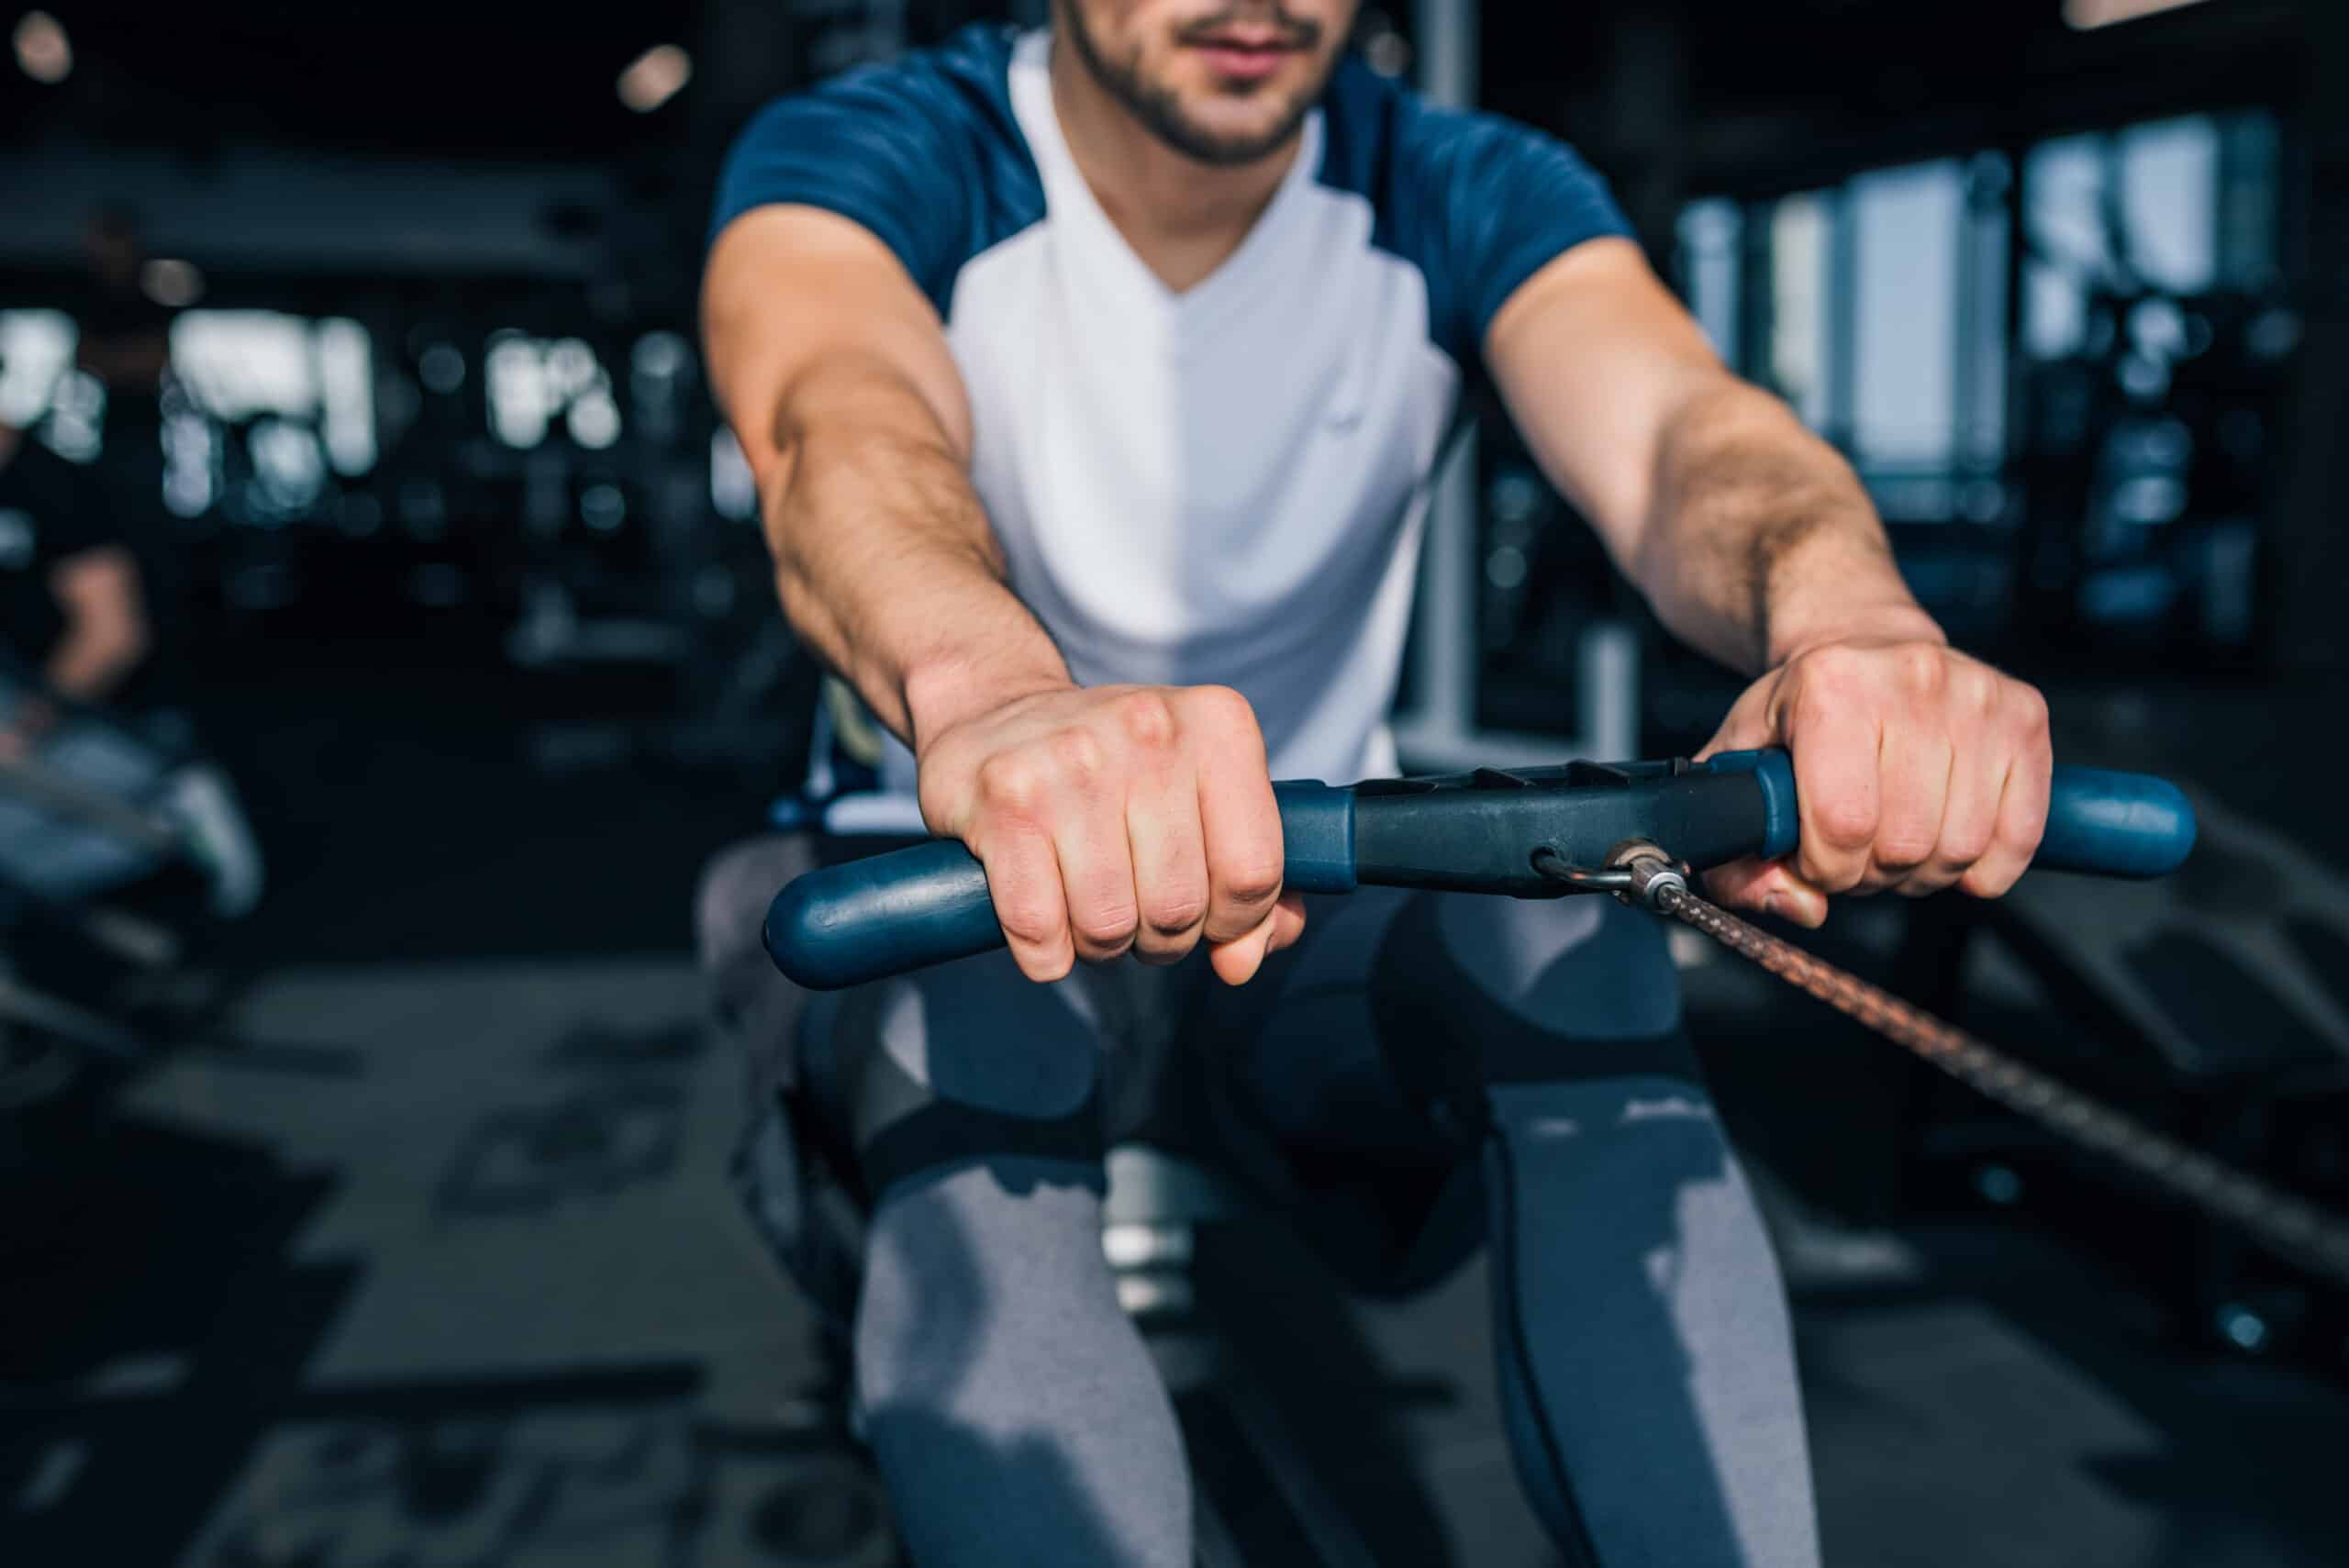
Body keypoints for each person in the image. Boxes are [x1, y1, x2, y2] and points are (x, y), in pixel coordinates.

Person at [696, 5, 2054, 1564]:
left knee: (1574, 943)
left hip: (1307, 905)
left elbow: (1686, 431)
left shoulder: (1453, 184)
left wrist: (1851, 621)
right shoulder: (887, 150)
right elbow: (835, 427)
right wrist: (999, 700)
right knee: (969, 1031)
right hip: (970, 884)